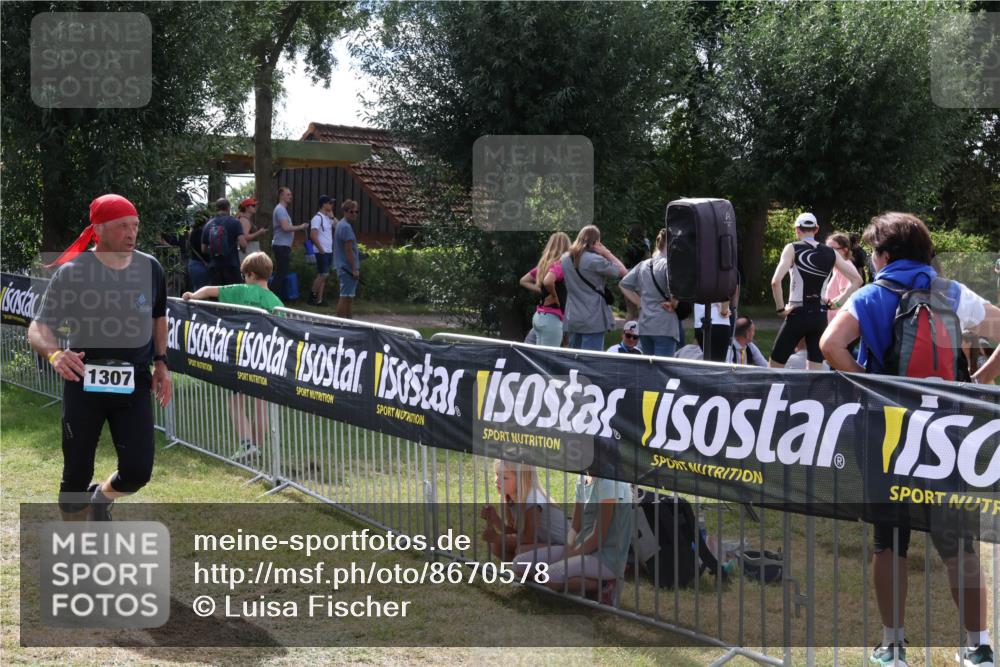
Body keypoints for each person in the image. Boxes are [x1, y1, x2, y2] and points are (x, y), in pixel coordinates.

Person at [820, 212, 998, 667]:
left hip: (889, 435)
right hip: (948, 437)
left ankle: (893, 646)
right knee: (959, 545)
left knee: (889, 541)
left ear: (883, 255)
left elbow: (830, 345)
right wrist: (977, 382)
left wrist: (870, 385)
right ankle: (978, 647)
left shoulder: (871, 295)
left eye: (872, 253)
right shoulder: (952, 293)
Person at [29, 194, 172, 521]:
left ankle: (101, 498)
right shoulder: (73, 272)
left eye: (135, 225)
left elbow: (158, 316)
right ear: (98, 230)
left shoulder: (150, 267)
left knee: (137, 471)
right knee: (75, 476)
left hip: (133, 381)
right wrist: (54, 354)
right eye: (122, 226)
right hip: (84, 382)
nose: (131, 233)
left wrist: (161, 362)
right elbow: (38, 327)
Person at [183, 251, 282, 459]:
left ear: (251, 274)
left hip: (241, 354)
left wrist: (191, 296)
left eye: (244, 275)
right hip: (264, 357)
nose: (244, 279)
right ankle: (257, 447)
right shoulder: (276, 302)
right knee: (261, 404)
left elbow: (208, 290)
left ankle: (247, 444)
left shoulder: (240, 290)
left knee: (235, 401)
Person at [513, 472, 634, 604]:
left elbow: (598, 537)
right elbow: (575, 525)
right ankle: (576, 581)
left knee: (550, 576)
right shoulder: (582, 477)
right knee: (519, 565)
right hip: (583, 548)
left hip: (607, 558)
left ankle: (606, 584)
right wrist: (568, 547)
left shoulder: (610, 483)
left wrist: (568, 556)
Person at [770, 212, 861, 370]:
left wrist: (781, 309)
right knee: (814, 371)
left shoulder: (792, 248)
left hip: (797, 313)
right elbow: (857, 280)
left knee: (774, 367)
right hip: (820, 316)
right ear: (816, 229)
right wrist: (838, 302)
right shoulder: (831, 252)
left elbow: (775, 281)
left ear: (797, 229)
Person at [480, 460, 568, 559]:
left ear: (521, 480)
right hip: (547, 544)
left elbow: (529, 538)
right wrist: (495, 520)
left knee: (521, 551)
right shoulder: (512, 498)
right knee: (497, 546)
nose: (497, 481)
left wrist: (497, 537)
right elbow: (517, 534)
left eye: (504, 477)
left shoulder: (533, 499)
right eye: (497, 474)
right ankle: (523, 569)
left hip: (566, 547)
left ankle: (535, 569)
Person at [560, 225, 627, 351]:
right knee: (591, 359)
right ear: (595, 242)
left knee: (574, 358)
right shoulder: (595, 260)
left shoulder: (564, 259)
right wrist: (606, 253)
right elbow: (623, 272)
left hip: (573, 317)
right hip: (593, 318)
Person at [619, 229, 680, 357]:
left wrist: (639, 302)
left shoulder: (643, 265)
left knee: (649, 366)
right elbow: (674, 290)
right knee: (663, 367)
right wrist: (673, 304)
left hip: (645, 325)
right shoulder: (669, 265)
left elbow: (623, 284)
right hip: (664, 325)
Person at [519, 232, 571, 347]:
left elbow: (523, 280)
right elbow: (548, 282)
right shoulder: (560, 265)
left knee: (539, 355)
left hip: (540, 316)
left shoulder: (544, 266)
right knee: (548, 356)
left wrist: (542, 291)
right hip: (552, 318)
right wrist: (555, 296)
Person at [271, 186, 309, 301]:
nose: (290, 196)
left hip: (283, 246)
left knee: (282, 272)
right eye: (288, 194)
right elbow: (286, 227)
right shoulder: (280, 209)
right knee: (281, 273)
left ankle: (276, 297)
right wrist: (301, 227)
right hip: (281, 246)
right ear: (281, 196)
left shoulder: (283, 210)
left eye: (290, 194)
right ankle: (273, 298)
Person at [201, 198, 246, 286]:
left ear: (216, 208)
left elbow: (203, 249)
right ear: (228, 208)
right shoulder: (235, 222)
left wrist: (216, 250)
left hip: (214, 267)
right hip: (232, 265)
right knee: (234, 292)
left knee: (217, 293)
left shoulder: (208, 225)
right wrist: (242, 249)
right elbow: (243, 243)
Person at [334, 199, 361, 318]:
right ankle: (340, 323)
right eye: (351, 212)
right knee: (345, 296)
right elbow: (348, 250)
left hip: (343, 266)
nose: (354, 214)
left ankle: (349, 322)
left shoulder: (340, 224)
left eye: (356, 212)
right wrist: (354, 269)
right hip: (347, 268)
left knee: (349, 297)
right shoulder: (346, 227)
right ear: (345, 212)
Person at [308, 195, 336, 306]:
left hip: (328, 251)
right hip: (321, 251)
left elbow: (339, 227)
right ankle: (312, 296)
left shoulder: (328, 218)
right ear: (324, 204)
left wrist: (332, 217)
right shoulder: (317, 218)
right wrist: (321, 249)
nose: (332, 205)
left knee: (323, 276)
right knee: (323, 274)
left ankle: (319, 300)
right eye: (330, 203)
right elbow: (313, 235)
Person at [824, 232, 858, 323]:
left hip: (838, 321)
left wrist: (826, 304)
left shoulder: (844, 269)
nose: (828, 252)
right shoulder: (838, 267)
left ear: (845, 250)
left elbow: (846, 297)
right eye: (826, 249)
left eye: (832, 249)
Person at [622, 225, 650, 321]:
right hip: (639, 274)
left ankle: (627, 329)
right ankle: (641, 329)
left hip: (627, 273)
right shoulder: (644, 245)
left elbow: (622, 260)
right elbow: (648, 259)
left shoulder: (625, 244)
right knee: (641, 306)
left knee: (630, 310)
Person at [186, 209, 210, 291]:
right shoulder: (203, 232)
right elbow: (204, 250)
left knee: (197, 291)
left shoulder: (191, 232)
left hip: (193, 264)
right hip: (202, 265)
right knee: (203, 292)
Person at [236, 197, 267, 262]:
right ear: (246, 208)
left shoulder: (245, 219)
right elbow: (245, 237)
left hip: (250, 252)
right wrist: (259, 232)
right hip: (248, 252)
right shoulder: (244, 220)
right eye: (253, 205)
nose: (255, 207)